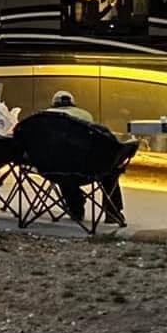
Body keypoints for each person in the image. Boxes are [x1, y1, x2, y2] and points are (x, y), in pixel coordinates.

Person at [43, 91, 126, 230]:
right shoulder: (85, 115)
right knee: (110, 170)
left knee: (62, 165)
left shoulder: (43, 117)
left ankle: (76, 208)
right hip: (85, 168)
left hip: (52, 169)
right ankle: (113, 212)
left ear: (53, 104)